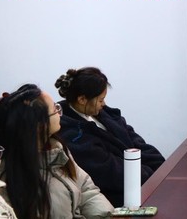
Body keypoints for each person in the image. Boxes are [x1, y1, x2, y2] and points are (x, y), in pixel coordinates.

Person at [0, 84, 113, 219]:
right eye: (55, 109)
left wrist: (107, 216)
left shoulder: (56, 149)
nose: (59, 113)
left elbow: (87, 189)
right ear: (39, 124)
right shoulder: (11, 179)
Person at [55, 67, 165, 207]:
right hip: (119, 196)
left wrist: (162, 168)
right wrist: (152, 175)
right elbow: (111, 171)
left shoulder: (103, 113)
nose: (104, 104)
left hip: (141, 178)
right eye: (100, 100)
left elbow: (135, 142)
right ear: (82, 99)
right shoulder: (73, 136)